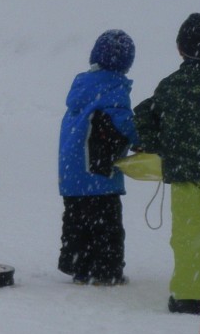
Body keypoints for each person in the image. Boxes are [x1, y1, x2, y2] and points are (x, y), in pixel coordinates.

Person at [134, 13, 200, 313]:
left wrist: (156, 145)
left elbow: (143, 116)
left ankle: (190, 295)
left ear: (180, 48)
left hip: (185, 176)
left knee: (189, 235)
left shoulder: (170, 87)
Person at [57, 30, 139, 287]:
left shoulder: (81, 86)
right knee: (106, 225)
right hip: (98, 171)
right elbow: (124, 122)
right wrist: (141, 140)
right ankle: (106, 270)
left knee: (77, 220)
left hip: (72, 172)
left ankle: (79, 266)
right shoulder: (113, 87)